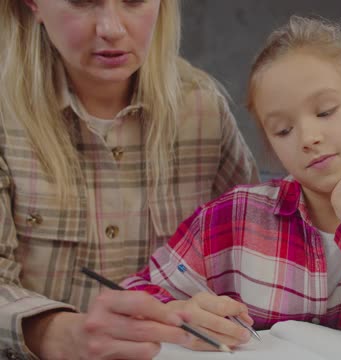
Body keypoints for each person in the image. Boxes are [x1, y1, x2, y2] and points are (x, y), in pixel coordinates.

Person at [123, 15, 341, 351]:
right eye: (283, 130)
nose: (307, 138)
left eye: (325, 111)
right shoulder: (234, 216)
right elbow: (134, 294)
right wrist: (181, 315)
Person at [0, 0, 259, 359]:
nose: (111, 28)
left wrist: (220, 307)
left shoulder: (204, 111)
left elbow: (257, 254)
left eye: (134, 1)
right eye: (82, 1)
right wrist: (58, 334)